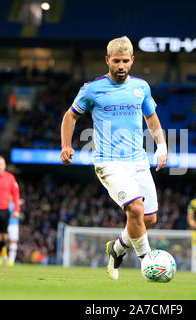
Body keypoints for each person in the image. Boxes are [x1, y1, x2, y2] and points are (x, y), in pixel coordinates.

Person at [60, 36, 167, 280]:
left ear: (132, 60)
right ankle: (148, 262)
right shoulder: (92, 89)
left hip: (138, 161)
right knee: (136, 208)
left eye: (125, 61)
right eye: (116, 61)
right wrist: (66, 145)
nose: (121, 66)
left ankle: (116, 250)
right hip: (109, 162)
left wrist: (161, 146)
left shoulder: (141, 87)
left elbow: (151, 118)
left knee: (149, 218)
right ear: (107, 60)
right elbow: (70, 117)